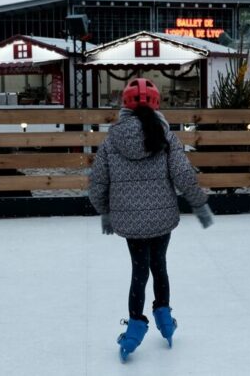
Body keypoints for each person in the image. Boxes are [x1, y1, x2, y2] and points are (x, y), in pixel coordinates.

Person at [89, 78, 214, 362]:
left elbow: (97, 183)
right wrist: (200, 205)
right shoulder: (167, 138)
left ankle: (133, 331)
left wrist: (105, 212)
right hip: (162, 218)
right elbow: (183, 176)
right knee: (160, 266)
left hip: (130, 223)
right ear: (157, 105)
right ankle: (166, 320)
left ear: (125, 106)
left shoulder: (111, 142)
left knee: (139, 272)